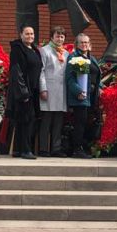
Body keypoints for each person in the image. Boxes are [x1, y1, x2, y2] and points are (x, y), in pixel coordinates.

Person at [6, 24, 42, 159]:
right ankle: (26, 150)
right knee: (27, 120)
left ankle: (18, 150)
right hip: (23, 92)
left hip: (33, 90)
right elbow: (16, 72)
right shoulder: (17, 50)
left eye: (32, 34)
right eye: (27, 34)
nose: (30, 36)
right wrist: (23, 92)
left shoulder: (34, 50)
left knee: (24, 120)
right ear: (21, 35)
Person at [66, 32, 101, 158]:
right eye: (81, 42)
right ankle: (77, 149)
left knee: (87, 122)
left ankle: (84, 147)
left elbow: (95, 76)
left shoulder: (91, 58)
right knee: (79, 123)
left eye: (86, 42)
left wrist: (101, 88)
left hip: (91, 96)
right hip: (80, 97)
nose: (84, 44)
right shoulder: (74, 57)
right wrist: (78, 92)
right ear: (77, 44)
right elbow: (70, 78)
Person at [38, 26, 68, 157]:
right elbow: (41, 71)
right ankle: (43, 149)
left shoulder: (66, 53)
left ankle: (56, 148)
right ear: (52, 37)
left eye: (62, 36)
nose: (59, 39)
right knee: (46, 121)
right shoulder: (44, 51)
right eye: (57, 36)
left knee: (58, 121)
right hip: (49, 90)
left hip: (61, 91)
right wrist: (43, 88)